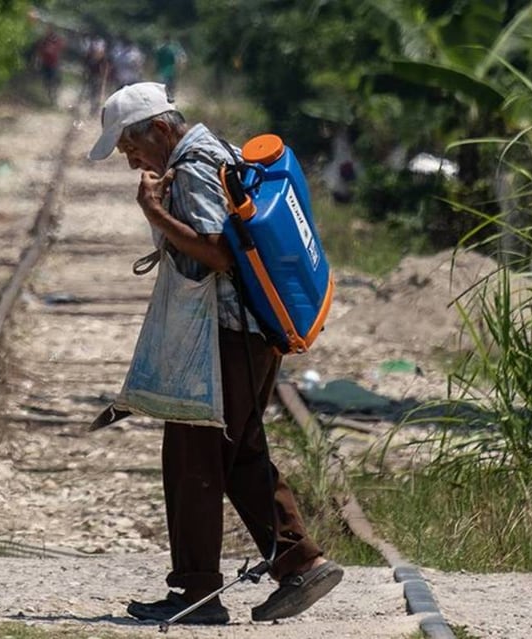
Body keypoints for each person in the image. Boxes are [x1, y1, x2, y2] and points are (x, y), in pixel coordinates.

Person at [87, 82, 344, 625]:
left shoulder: (196, 165)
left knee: (192, 461)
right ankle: (300, 563)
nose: (129, 159)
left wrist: (155, 213)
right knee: (240, 456)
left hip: (225, 337)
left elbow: (219, 252)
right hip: (249, 335)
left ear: (158, 128)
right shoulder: (219, 151)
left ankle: (195, 593)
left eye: (129, 147)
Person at [34, 27, 65, 106]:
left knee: (54, 80)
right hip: (46, 64)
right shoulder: (44, 41)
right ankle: (48, 96)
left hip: (54, 65)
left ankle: (53, 96)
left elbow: (60, 47)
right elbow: (39, 50)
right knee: (46, 81)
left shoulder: (57, 41)